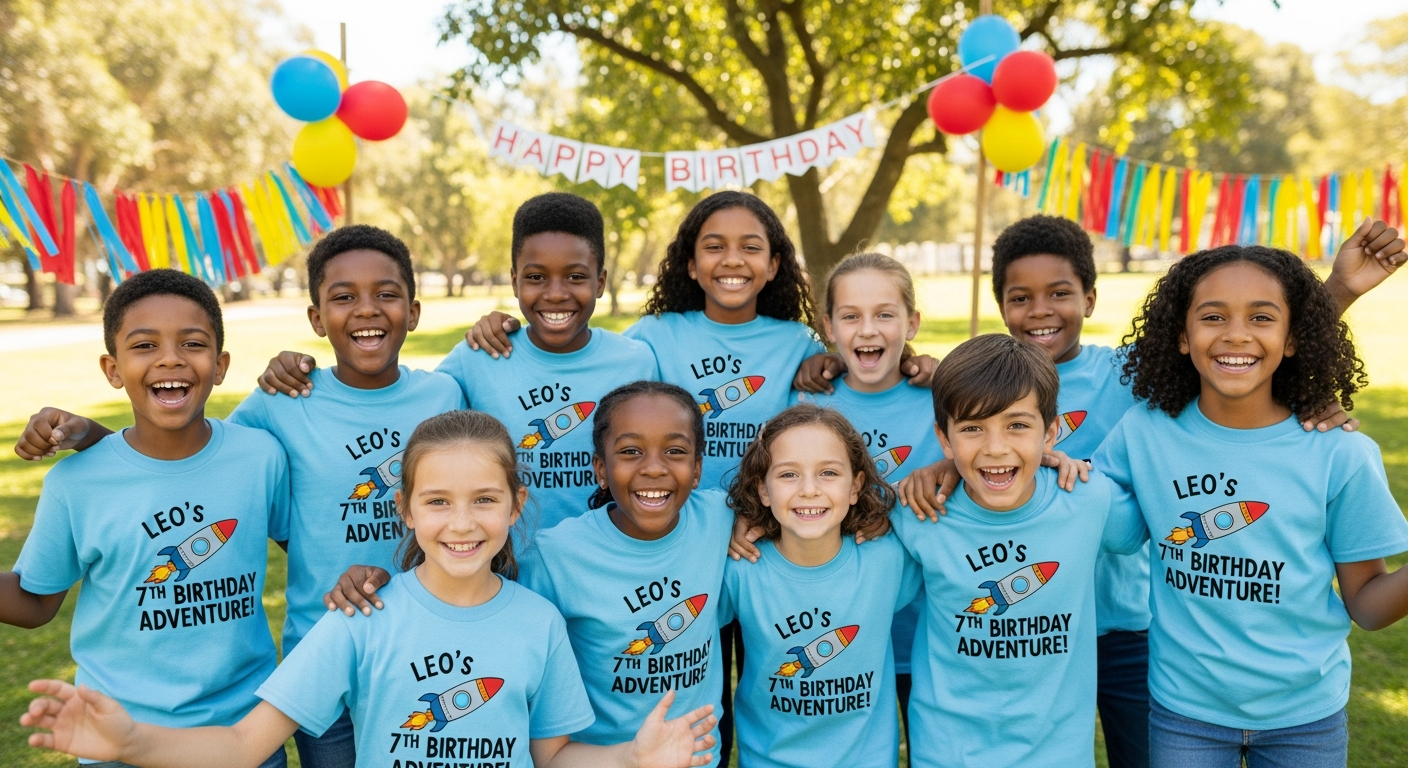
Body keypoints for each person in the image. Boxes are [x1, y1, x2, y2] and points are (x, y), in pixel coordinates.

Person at [893, 214, 1404, 768]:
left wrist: (1338, 291)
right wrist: (949, 469)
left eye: (1059, 292)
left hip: (1233, 678)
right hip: (1165, 694)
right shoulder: (1149, 429)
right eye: (1022, 296)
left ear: (1089, 298)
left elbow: (1242, 349)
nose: (1041, 309)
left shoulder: (1133, 378)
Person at [21, 410, 718, 768]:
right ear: (407, 512)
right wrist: (133, 742)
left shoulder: (536, 623)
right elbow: (240, 747)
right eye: (438, 502)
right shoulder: (362, 619)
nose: (463, 523)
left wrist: (631, 757)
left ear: (515, 506)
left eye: (484, 500)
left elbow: (554, 756)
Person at [13, 225, 467, 767]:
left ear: (413, 312)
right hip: (296, 671)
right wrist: (96, 440)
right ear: (316, 319)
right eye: (343, 297)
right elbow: (168, 464)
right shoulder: (278, 406)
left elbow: (206, 469)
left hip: (368, 669)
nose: (171, 360)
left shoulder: (440, 397)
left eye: (385, 294)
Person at [1093, 245, 1408, 767]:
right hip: (1183, 714)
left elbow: (1370, 606)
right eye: (1213, 317)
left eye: (1261, 318)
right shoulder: (1144, 433)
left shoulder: (1341, 454)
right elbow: (1112, 527)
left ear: (1291, 340)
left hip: (1306, 718)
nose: (1236, 334)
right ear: (1181, 334)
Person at [322, 381, 734, 766]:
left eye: (675, 452)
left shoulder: (722, 519)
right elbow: (472, 608)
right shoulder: (554, 557)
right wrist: (378, 583)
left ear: (698, 468)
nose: (654, 469)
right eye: (630, 452)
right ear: (601, 470)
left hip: (695, 757)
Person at [3, 269, 292, 768]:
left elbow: (312, 551)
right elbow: (35, 602)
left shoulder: (261, 457)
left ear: (220, 365)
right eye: (144, 346)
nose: (170, 358)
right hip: (117, 740)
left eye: (192, 343)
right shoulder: (76, 483)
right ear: (112, 369)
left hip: (241, 738)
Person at [253, 194, 658, 531]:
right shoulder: (476, 359)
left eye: (575, 277)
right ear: (514, 280)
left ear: (601, 282)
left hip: (604, 574)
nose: (555, 294)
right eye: (535, 277)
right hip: (502, 574)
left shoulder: (635, 362)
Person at [891, 333, 1146, 766]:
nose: (995, 448)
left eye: (1017, 425)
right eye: (972, 428)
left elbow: (1145, 527)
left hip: (1057, 752)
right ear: (945, 439)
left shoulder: (1088, 499)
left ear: (1050, 433)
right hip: (947, 748)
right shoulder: (918, 512)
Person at [789, 253, 941, 738]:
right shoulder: (806, 403)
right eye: (851, 316)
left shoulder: (944, 399)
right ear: (828, 327)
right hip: (843, 628)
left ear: (912, 323)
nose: (868, 330)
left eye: (885, 314)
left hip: (930, 626)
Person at [721, 403, 921, 767]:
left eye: (828, 473)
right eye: (788, 475)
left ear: (855, 486)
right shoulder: (739, 567)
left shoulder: (888, 557)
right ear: (762, 490)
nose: (809, 490)